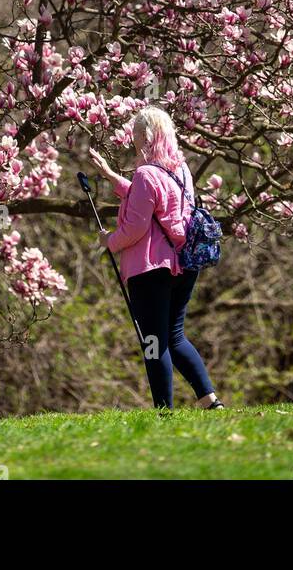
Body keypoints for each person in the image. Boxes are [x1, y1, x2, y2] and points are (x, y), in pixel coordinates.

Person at [89, 106, 224, 411]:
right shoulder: (181, 170)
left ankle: (163, 411)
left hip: (151, 269)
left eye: (135, 132)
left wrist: (109, 242)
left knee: (153, 341)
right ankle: (209, 400)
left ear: (147, 136)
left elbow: (136, 227)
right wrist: (113, 177)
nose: (132, 138)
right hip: (183, 265)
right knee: (174, 336)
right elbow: (152, 199)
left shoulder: (145, 174)